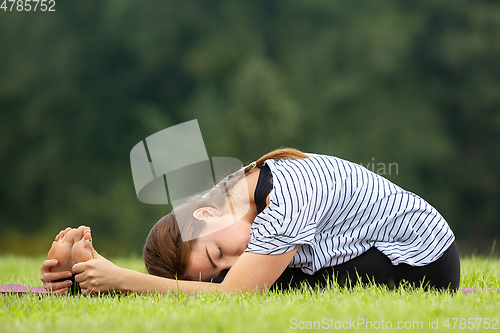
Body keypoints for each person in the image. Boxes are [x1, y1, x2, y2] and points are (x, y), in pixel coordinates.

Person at [40, 148, 460, 295]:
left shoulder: (286, 199)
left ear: (205, 215)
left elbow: (231, 296)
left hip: (418, 264)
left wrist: (124, 278)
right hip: (355, 250)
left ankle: (103, 283)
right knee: (219, 287)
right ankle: (86, 280)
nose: (232, 257)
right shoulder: (234, 192)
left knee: (240, 289)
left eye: (218, 252)